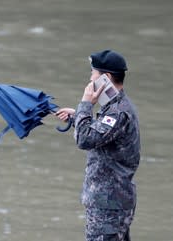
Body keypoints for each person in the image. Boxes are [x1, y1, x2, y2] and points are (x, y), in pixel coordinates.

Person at [56, 50, 141, 241]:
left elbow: (85, 140)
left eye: (93, 73)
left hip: (108, 205)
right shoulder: (115, 108)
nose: (90, 78)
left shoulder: (117, 112)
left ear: (106, 78)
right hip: (113, 202)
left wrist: (85, 104)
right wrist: (78, 116)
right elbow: (101, 135)